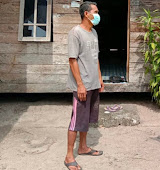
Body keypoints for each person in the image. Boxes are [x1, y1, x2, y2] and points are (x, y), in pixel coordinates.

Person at [64, 1, 104, 170]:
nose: (97, 14)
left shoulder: (93, 32)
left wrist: (100, 79)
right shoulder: (75, 33)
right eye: (95, 11)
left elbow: (95, 58)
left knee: (87, 118)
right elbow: (72, 60)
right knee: (76, 120)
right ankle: (68, 156)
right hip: (82, 85)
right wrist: (80, 85)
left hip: (94, 83)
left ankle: (83, 147)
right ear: (86, 14)